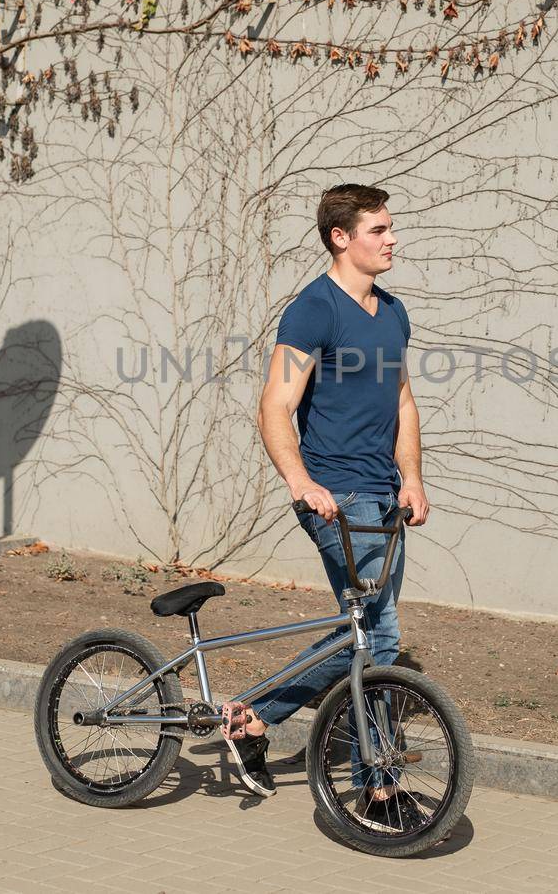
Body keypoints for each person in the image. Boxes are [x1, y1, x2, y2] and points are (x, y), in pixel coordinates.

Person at [221, 184, 430, 828]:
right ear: (342, 237)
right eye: (379, 229)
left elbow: (401, 403)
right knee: (382, 637)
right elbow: (274, 405)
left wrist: (413, 478)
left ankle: (252, 716)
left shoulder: (393, 313)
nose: (392, 238)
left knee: (363, 634)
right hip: (335, 495)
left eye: (392, 228)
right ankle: (379, 789)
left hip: (381, 499)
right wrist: (300, 481)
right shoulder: (313, 310)